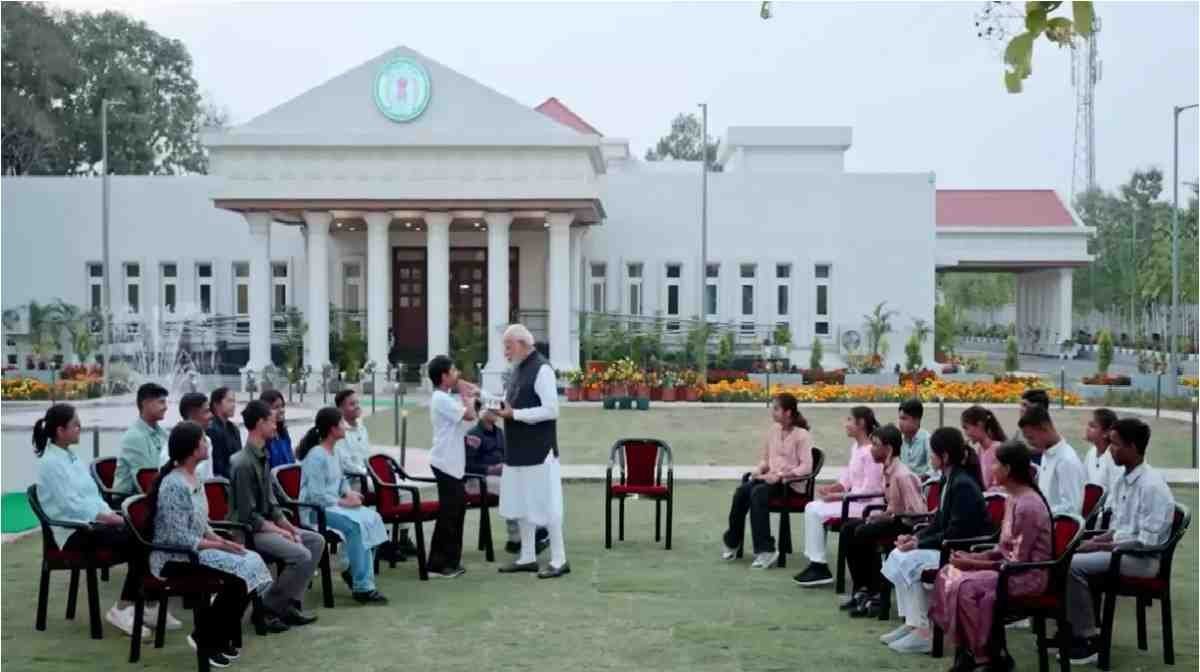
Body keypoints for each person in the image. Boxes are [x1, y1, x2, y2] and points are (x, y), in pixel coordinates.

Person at [147, 421, 273, 668]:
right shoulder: (173, 484)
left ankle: (217, 636)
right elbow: (178, 538)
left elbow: (202, 525)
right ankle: (205, 638)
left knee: (250, 561)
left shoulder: (195, 477)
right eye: (203, 441)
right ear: (193, 450)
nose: (208, 444)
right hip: (175, 558)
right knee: (236, 581)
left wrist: (223, 541)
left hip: (195, 550)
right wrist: (219, 547)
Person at [34, 403, 165, 638]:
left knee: (146, 533)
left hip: (92, 525)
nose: (80, 428)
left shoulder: (71, 457)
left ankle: (143, 605)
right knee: (140, 540)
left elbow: (93, 496)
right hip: (73, 533)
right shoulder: (50, 463)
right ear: (60, 431)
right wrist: (108, 518)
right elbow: (70, 505)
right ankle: (124, 608)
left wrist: (112, 516)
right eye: (75, 425)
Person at [929, 441, 1054, 671]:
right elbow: (1003, 549)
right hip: (1008, 570)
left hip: (1027, 577)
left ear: (1008, 469)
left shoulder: (1028, 505)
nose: (991, 467)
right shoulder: (1013, 497)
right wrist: (975, 557)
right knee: (948, 573)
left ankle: (986, 656)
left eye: (996, 463)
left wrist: (971, 563)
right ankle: (970, 650)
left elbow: (1017, 561)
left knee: (965, 586)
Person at [1063, 417, 1176, 665]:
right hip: (1121, 553)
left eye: (1114, 444)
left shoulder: (1152, 486)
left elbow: (1146, 542)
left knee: (1072, 566)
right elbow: (1118, 528)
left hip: (1142, 561)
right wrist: (1094, 540)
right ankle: (1076, 629)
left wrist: (1099, 546)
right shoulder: (1123, 479)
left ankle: (1088, 639)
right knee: (1066, 556)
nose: (1110, 449)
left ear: (1132, 447)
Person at [879, 427, 989, 654]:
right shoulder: (949, 479)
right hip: (946, 545)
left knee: (908, 559)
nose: (930, 457)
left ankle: (924, 632)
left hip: (959, 550)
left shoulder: (963, 484)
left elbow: (956, 532)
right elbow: (938, 522)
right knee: (899, 554)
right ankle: (913, 623)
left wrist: (918, 544)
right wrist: (914, 537)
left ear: (945, 456)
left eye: (933, 453)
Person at [229, 400, 322, 629]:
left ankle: (289, 604)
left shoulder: (263, 455)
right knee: (301, 554)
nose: (275, 425)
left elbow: (272, 506)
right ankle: (267, 608)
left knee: (315, 541)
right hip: (249, 533)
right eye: (271, 421)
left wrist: (289, 528)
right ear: (260, 423)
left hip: (266, 526)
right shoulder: (242, 463)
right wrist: (281, 532)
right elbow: (249, 517)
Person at [493, 323, 570, 579]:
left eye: (508, 346)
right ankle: (527, 557)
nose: (505, 351)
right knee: (522, 504)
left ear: (522, 344)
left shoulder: (542, 369)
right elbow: (508, 404)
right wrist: (485, 399)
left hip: (539, 450)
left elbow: (551, 410)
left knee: (548, 505)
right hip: (517, 449)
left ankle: (559, 560)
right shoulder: (517, 369)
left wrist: (514, 414)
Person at [298, 407, 389, 603]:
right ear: (332, 429)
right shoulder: (316, 456)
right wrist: (343, 502)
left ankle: (350, 568)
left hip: (334, 507)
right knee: (355, 526)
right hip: (316, 512)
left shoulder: (335, 452)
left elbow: (341, 482)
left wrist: (349, 493)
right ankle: (362, 586)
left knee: (373, 518)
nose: (345, 427)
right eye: (341, 423)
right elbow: (315, 495)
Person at [840, 424, 927, 617]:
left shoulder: (902, 475)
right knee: (848, 529)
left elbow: (917, 513)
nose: (871, 449)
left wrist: (889, 516)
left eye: (875, 445)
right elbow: (892, 506)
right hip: (893, 520)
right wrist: (881, 515)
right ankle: (863, 589)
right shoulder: (887, 471)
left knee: (864, 532)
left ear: (888, 449)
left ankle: (877, 593)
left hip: (906, 526)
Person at [719, 393, 814, 569]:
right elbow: (766, 459)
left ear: (788, 412)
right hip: (769, 479)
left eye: (776, 409)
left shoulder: (802, 435)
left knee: (758, 493)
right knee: (742, 491)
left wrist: (782, 475)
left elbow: (806, 467)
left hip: (790, 485)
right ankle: (732, 542)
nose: (773, 412)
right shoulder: (773, 430)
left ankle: (766, 550)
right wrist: (759, 469)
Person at [792, 406, 884, 587]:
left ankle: (819, 567)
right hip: (853, 502)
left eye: (849, 420)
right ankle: (817, 564)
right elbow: (847, 478)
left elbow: (868, 492)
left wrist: (837, 497)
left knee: (814, 510)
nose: (845, 424)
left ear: (861, 423)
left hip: (867, 506)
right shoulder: (856, 447)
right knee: (812, 507)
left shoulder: (870, 452)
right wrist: (832, 489)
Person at [426, 354, 479, 578]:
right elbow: (470, 415)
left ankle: (451, 561)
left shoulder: (446, 398)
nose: (457, 374)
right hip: (445, 462)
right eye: (454, 371)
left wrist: (467, 395)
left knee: (456, 511)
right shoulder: (441, 399)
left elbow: (468, 419)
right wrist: (467, 396)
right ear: (444, 376)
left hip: (453, 463)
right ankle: (437, 565)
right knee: (449, 514)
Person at [465, 411, 545, 554]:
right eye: (491, 408)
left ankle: (517, 539)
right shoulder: (473, 435)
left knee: (524, 484)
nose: (496, 411)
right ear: (481, 412)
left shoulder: (500, 432)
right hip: (476, 481)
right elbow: (467, 466)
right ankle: (526, 534)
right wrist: (491, 469)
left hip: (500, 478)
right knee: (511, 488)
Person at [1019, 405, 1086, 516]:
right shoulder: (1047, 453)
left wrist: (1038, 511)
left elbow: (1072, 508)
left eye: (1031, 438)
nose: (1030, 443)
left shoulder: (1066, 460)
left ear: (1044, 428)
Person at [114, 383, 169, 495]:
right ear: (146, 404)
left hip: (157, 493)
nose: (166, 407)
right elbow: (147, 479)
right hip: (129, 499)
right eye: (161, 402)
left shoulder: (163, 433)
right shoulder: (134, 437)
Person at [166, 392, 213, 480]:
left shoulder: (207, 441)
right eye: (206, 411)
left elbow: (209, 478)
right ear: (192, 415)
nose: (211, 415)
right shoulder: (175, 443)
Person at [961, 405, 1007, 490]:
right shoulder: (979, 450)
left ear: (979, 425)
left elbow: (999, 485)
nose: (966, 433)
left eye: (966, 428)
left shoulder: (998, 449)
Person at [1083, 408, 1121, 502]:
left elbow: (1115, 495)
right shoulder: (1091, 452)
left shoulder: (1114, 459)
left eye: (1092, 426)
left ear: (1106, 433)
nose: (1087, 429)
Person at [206, 387, 242, 479]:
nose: (233, 405)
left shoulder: (233, 429)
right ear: (216, 404)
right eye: (229, 401)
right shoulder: (212, 429)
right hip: (222, 480)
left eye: (234, 401)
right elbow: (217, 465)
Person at [897, 399, 931, 478]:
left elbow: (933, 471)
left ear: (917, 420)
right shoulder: (899, 439)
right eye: (899, 418)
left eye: (904, 418)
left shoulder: (927, 440)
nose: (900, 422)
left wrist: (916, 479)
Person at [260, 390, 295, 468]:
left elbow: (291, 459)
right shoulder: (264, 437)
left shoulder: (284, 433)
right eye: (276, 407)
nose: (282, 410)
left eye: (282, 406)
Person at [1019, 389, 1051, 466]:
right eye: (1021, 405)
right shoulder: (1024, 425)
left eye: (1025, 405)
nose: (1020, 409)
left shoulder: (1045, 427)